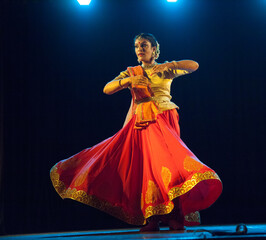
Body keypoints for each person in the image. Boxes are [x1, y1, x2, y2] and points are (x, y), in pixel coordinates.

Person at [50, 33, 222, 232]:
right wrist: (127, 81)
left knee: (170, 167)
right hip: (143, 123)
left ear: (155, 49)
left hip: (165, 119)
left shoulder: (164, 69)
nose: (140, 49)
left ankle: (175, 214)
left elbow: (194, 65)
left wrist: (168, 65)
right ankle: (152, 217)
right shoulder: (131, 72)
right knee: (148, 169)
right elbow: (107, 88)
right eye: (137, 46)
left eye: (144, 45)